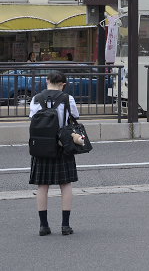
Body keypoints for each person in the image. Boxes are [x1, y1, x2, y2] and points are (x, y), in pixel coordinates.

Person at [29, 70, 80, 236]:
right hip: (62, 146)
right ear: (63, 84)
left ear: (47, 81)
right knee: (65, 185)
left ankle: (43, 226)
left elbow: (33, 119)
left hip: (41, 146)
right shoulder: (68, 99)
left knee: (42, 186)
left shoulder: (36, 99)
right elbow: (75, 116)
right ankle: (65, 225)